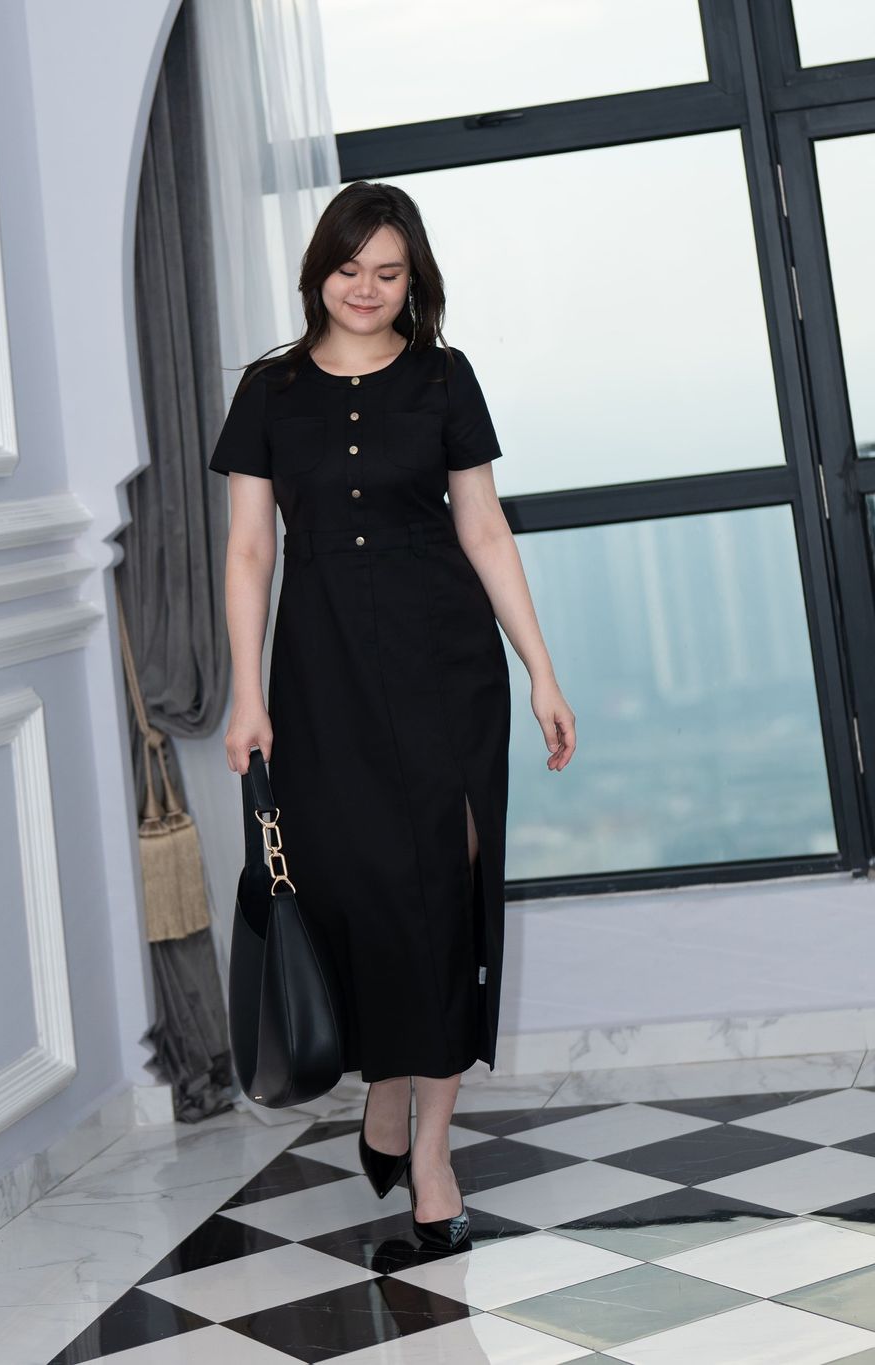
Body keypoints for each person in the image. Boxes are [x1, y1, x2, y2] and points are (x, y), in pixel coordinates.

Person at [208, 180, 576, 1252]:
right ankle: (384, 1088)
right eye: (348, 268)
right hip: (320, 674)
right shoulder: (269, 391)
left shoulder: (445, 378)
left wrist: (540, 671)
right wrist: (247, 692)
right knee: (355, 889)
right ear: (317, 272)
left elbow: (484, 529)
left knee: (443, 896)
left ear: (413, 281)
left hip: (446, 665)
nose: (365, 289)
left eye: (387, 272)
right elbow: (249, 550)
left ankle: (431, 1154)